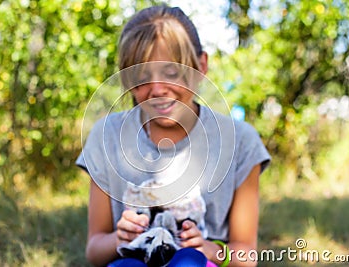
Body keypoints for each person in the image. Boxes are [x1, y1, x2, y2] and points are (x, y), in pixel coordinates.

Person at [76, 4, 270, 267]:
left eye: (171, 72)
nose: (157, 88)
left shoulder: (241, 142)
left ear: (201, 66)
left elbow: (246, 255)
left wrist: (210, 249)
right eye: (141, 76)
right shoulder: (106, 137)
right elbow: (95, 251)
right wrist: (120, 239)